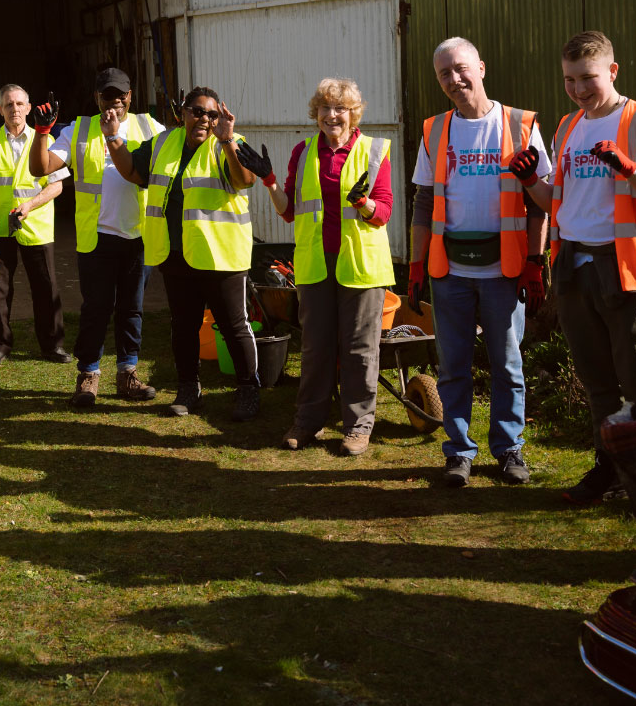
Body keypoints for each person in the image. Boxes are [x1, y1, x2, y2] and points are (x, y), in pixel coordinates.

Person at [515, 32, 636, 504]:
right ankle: (608, 470)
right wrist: (530, 180)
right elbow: (557, 203)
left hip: (631, 271)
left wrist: (628, 168)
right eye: (569, 79)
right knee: (598, 382)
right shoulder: (567, 127)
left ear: (612, 71)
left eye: (588, 77)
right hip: (575, 267)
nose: (579, 89)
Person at [409, 37, 550, 487]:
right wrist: (415, 266)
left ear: (482, 68)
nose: (454, 79)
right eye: (444, 73)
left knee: (508, 365)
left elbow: (539, 203)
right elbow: (422, 202)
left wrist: (535, 260)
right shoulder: (434, 130)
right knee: (453, 367)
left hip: (504, 271)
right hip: (448, 271)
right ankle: (459, 452)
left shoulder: (520, 125)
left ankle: (509, 450)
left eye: (461, 68)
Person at [249, 78, 394, 455]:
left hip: (360, 265)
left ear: (353, 113)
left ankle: (358, 427)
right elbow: (289, 212)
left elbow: (384, 211)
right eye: (325, 108)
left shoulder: (374, 151)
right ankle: (308, 422)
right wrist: (268, 181)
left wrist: (363, 204)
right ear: (316, 113)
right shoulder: (303, 151)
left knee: (360, 349)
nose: (332, 115)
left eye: (340, 108)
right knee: (315, 347)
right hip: (316, 265)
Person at [105, 86, 261, 419]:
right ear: (183, 114)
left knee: (234, 327)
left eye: (212, 114)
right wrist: (113, 137)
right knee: (184, 326)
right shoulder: (164, 142)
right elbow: (133, 171)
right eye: (197, 111)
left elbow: (246, 179)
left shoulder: (231, 143)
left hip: (220, 256)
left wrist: (228, 139)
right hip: (176, 255)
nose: (204, 119)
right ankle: (189, 389)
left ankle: (249, 389)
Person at [26, 68, 163, 406]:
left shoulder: (150, 128)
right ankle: (89, 375)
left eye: (120, 96)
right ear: (96, 98)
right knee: (96, 309)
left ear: (130, 96)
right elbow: (40, 168)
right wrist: (42, 133)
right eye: (107, 96)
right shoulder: (79, 130)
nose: (113, 103)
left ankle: (127, 373)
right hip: (97, 238)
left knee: (132, 309)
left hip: (138, 236)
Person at [0, 84, 69, 367]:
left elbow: (57, 187)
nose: (14, 109)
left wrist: (30, 205)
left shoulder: (46, 139)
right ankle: (0, 345)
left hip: (36, 225)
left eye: (19, 104)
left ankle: (53, 345)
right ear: (0, 109)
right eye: (8, 104)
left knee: (46, 287)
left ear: (28, 108)